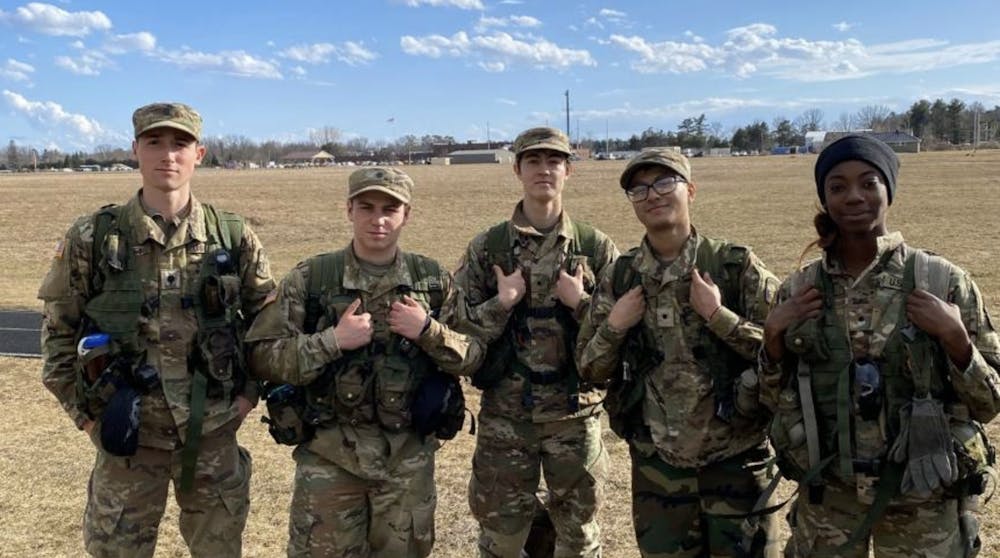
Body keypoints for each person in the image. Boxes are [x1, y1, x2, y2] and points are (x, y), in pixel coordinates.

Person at [38, 102, 275, 557]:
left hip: (213, 437)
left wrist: (247, 396)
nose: (168, 154)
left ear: (199, 153)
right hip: (128, 442)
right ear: (135, 150)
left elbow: (269, 327)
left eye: (180, 143)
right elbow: (58, 336)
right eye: (154, 142)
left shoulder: (233, 237)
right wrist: (86, 417)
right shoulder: (93, 237)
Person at [760, 134, 1000, 557]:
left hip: (923, 497)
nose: (854, 196)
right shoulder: (799, 290)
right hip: (829, 496)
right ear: (824, 197)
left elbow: (989, 403)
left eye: (869, 183)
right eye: (837, 186)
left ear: (889, 190)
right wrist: (773, 339)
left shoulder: (943, 282)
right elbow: (769, 399)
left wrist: (956, 340)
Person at [245, 166, 484, 557]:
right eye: (367, 207)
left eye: (390, 208)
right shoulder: (313, 278)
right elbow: (262, 356)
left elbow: (473, 355)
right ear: (349, 210)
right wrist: (331, 341)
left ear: (407, 214)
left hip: (407, 461)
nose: (378, 219)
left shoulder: (433, 281)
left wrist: (427, 330)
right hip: (329, 460)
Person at [576, 148, 782, 558]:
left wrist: (718, 316)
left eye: (665, 182)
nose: (652, 195)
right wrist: (615, 325)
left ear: (691, 190)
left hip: (736, 463)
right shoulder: (622, 276)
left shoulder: (734, 266)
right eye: (639, 189)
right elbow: (589, 368)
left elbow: (784, 352)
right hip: (659, 470)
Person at [453, 126, 618, 558]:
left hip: (575, 416)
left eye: (554, 162)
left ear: (568, 171)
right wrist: (502, 303)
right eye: (533, 161)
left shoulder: (595, 248)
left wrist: (580, 302)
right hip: (506, 418)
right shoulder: (488, 248)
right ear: (517, 169)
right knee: (501, 537)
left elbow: (619, 336)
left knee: (578, 538)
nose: (544, 170)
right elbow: (453, 333)